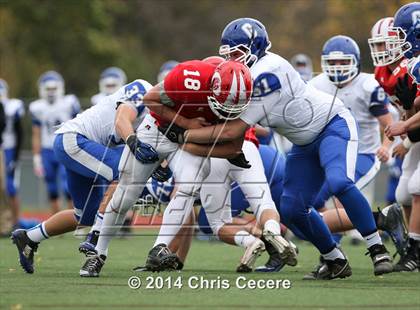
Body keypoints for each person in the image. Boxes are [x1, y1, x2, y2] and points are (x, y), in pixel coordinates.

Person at [175, 18, 393, 279]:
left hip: (331, 126)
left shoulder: (268, 72)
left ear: (255, 48)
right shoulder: (244, 74)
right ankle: (334, 259)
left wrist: (182, 134)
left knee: (338, 182)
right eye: (228, 55)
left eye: (237, 54)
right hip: (302, 143)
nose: (232, 60)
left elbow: (232, 132)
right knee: (291, 209)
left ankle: (377, 247)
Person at [11, 79, 153, 274]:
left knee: (84, 215)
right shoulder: (143, 89)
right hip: (74, 140)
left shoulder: (161, 120)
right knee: (125, 172)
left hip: (82, 147)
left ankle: (29, 238)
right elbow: (122, 121)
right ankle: (95, 237)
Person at [29, 71, 80, 214]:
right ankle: (57, 219)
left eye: (53, 88)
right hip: (46, 150)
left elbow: (79, 125)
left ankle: (73, 218)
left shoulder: (69, 103)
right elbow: (36, 133)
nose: (51, 92)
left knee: (67, 185)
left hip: (64, 146)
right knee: (51, 186)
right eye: (48, 89)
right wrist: (36, 156)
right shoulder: (37, 107)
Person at [0, 79, 24, 227]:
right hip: (4, 148)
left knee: (10, 187)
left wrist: (15, 157)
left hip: (8, 149)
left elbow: (19, 133)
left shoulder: (12, 106)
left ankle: (15, 222)